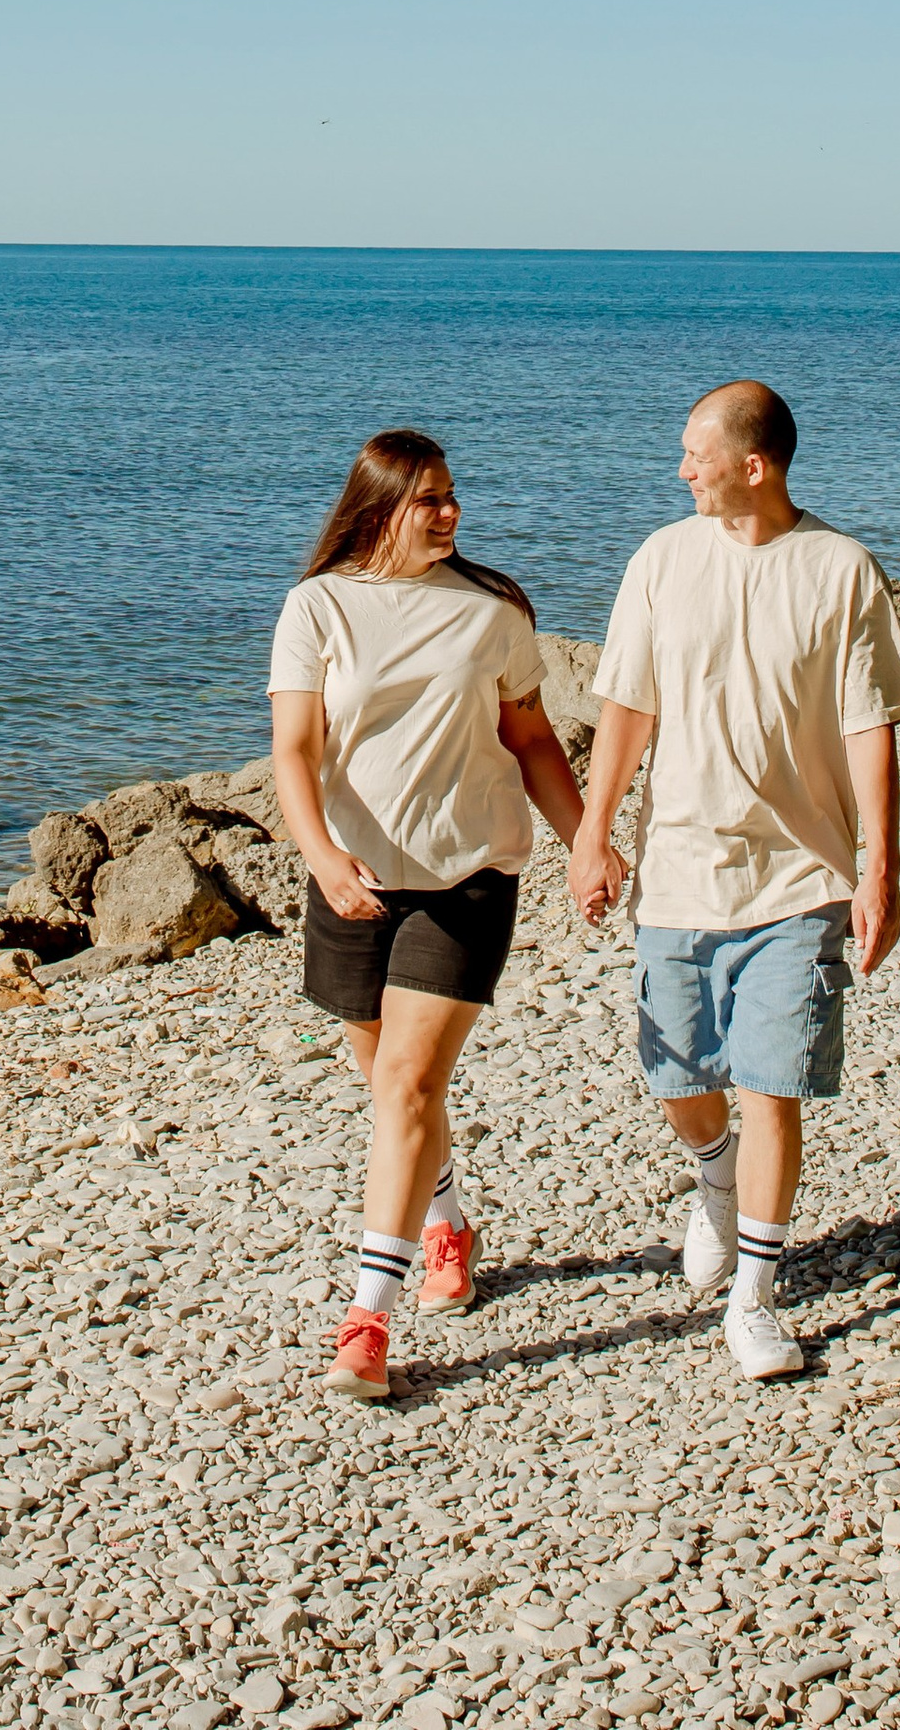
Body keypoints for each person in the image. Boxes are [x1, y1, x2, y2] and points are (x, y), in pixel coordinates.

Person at [570, 377, 900, 1383]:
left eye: (695, 452)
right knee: (678, 1081)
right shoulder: (661, 560)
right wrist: (593, 836)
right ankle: (712, 1179)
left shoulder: (842, 570)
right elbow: (625, 709)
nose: (681, 469)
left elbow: (869, 727)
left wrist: (877, 872)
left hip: (797, 878)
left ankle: (754, 1298)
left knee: (773, 1083)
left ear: (751, 465)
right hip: (678, 870)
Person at [269, 428, 588, 1404]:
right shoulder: (315, 606)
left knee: (407, 1084)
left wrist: (589, 843)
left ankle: (367, 1319)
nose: (449, 512)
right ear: (376, 509)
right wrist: (322, 860)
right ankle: (444, 1215)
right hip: (354, 882)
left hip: (468, 876)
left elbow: (531, 744)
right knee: (387, 1085)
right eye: (428, 500)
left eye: (452, 495)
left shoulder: (489, 614)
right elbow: (292, 752)